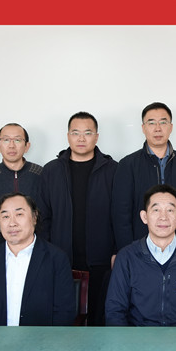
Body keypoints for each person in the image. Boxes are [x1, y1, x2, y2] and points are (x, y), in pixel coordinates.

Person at [36, 111, 117, 326]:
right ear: (68, 136)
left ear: (96, 137)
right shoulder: (52, 170)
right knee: (65, 319)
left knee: (100, 318)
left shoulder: (112, 170)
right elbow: (43, 217)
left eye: (87, 133)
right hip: (61, 258)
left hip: (101, 259)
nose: (81, 138)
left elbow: (119, 215)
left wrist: (117, 251)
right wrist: (46, 252)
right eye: (76, 133)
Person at [106, 185, 176, 326]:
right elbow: (114, 311)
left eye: (170, 210)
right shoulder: (127, 257)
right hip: (139, 336)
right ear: (144, 217)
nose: (163, 217)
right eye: (156, 210)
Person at [0, 193, 76, 326]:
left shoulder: (57, 260)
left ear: (34, 217)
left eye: (19, 214)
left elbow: (64, 313)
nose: (12, 223)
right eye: (5, 216)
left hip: (41, 338)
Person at [112, 102, 176, 251]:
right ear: (143, 128)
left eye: (163, 122)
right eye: (151, 123)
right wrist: (126, 251)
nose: (157, 128)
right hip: (139, 246)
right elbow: (121, 214)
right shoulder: (128, 164)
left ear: (171, 127)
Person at [0, 123, 43, 256]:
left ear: (27, 146)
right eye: (6, 140)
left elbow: (46, 216)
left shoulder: (40, 174)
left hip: (35, 251)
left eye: (17, 140)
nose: (11, 145)